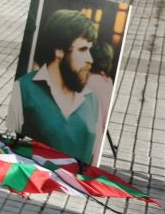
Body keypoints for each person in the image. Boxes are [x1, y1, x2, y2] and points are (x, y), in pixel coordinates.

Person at [8, 9, 112, 166]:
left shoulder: (92, 100)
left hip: (74, 187)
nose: (90, 59)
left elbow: (92, 160)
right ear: (59, 50)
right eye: (83, 49)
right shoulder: (24, 89)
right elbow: (11, 145)